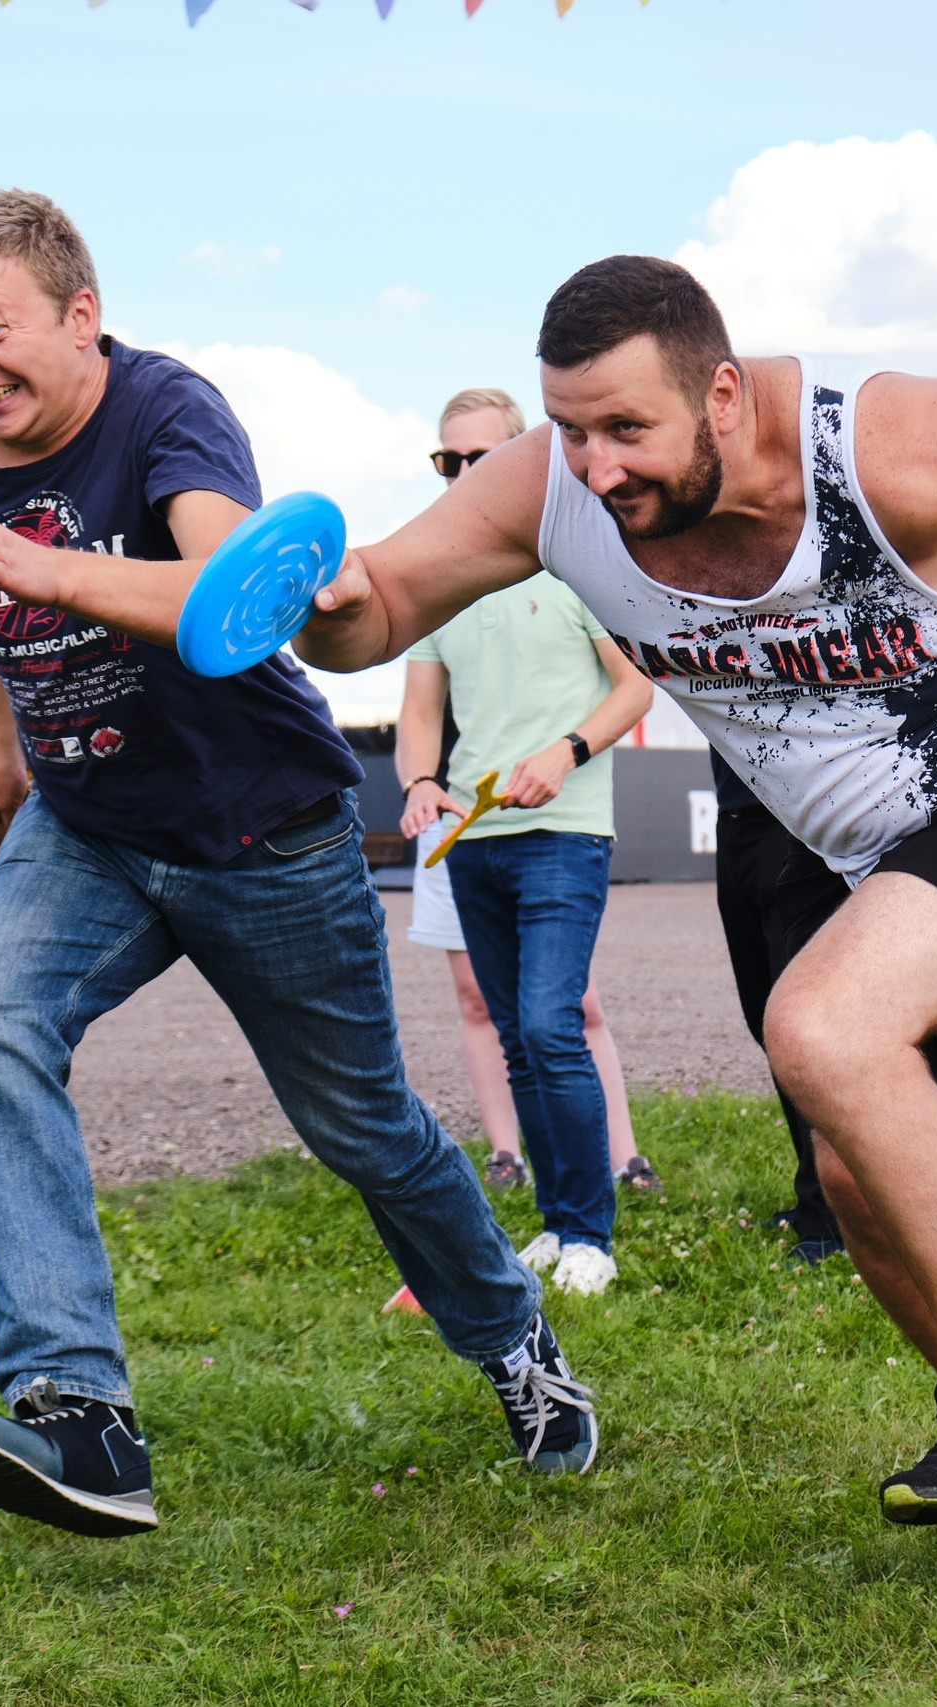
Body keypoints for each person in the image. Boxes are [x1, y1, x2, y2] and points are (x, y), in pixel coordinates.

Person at [0, 252, 937, 1524]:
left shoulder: (894, 451)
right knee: (859, 1179)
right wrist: (321, 601)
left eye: (627, 431)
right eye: (568, 432)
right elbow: (378, 609)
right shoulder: (553, 491)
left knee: (823, 1031)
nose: (598, 470)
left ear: (724, 391)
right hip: (858, 841)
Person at [0, 190, 597, 1541]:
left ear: (80, 316)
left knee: (365, 1129)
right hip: (90, 822)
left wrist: (57, 577)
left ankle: (517, 1344)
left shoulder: (167, 410)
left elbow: (233, 595)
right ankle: (78, 1412)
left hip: (258, 829)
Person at [396, 428, 656, 1299]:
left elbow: (636, 688)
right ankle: (555, 1220)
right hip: (473, 839)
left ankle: (592, 1234)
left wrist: (566, 752)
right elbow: (421, 710)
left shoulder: (580, 569)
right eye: (448, 460)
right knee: (517, 1042)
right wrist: (420, 780)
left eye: (483, 455)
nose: (465, 472)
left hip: (563, 830)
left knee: (551, 1027)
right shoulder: (441, 592)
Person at [711, 749, 846, 1264]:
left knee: (803, 1027)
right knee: (764, 1018)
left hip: (793, 819)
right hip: (735, 820)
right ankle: (816, 1192)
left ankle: (832, 1216)